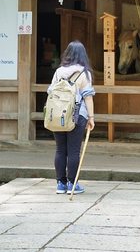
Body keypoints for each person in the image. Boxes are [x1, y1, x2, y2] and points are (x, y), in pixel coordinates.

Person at [47, 40, 95, 194]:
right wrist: (91, 117)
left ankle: (60, 184)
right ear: (83, 55)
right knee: (73, 151)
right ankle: (72, 184)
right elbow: (88, 97)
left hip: (58, 115)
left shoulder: (59, 71)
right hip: (77, 115)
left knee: (60, 150)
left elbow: (50, 91)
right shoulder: (84, 73)